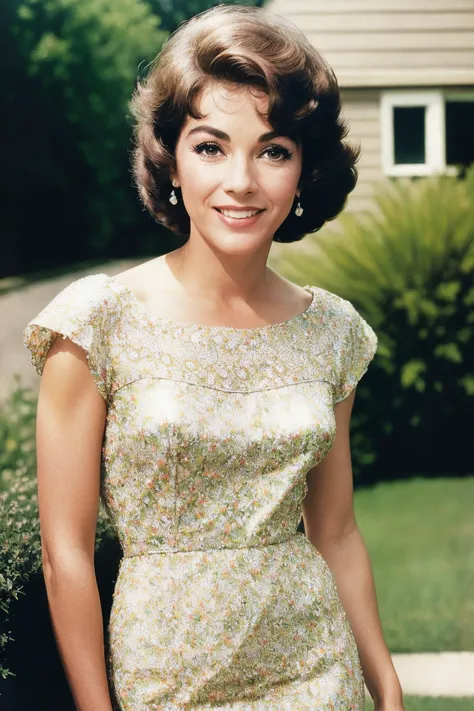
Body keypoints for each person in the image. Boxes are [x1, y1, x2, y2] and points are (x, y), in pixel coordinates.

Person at [23, 4, 405, 710]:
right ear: (170, 159)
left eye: (273, 149)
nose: (241, 181)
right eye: (210, 146)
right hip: (167, 679)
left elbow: (337, 529)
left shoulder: (333, 331)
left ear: (301, 172)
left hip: (316, 668)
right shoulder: (96, 320)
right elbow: (65, 554)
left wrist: (384, 680)